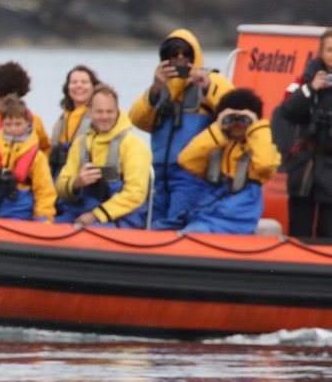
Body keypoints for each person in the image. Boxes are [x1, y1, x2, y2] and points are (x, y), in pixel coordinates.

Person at [129, 28, 233, 224]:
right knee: (152, 223)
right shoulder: (160, 89)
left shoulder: (211, 82)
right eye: (173, 53)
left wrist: (207, 86)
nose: (180, 58)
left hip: (192, 175)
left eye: (186, 53)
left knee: (176, 223)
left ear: (195, 56)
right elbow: (136, 119)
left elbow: (236, 106)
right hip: (160, 176)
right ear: (164, 58)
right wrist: (155, 89)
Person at [159, 88, 280, 234]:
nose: (237, 124)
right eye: (231, 119)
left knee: (193, 233)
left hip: (236, 215)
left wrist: (257, 128)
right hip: (206, 209)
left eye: (243, 120)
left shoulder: (261, 149)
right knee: (158, 227)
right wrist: (218, 128)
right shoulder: (217, 144)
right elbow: (186, 159)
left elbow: (265, 165)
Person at [55, 85, 152, 228]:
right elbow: (60, 185)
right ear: (89, 112)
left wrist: (96, 215)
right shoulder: (80, 144)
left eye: (110, 112)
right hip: (80, 210)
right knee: (52, 225)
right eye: (99, 112)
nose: (105, 117)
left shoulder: (133, 145)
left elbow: (135, 193)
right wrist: (76, 183)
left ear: (117, 111)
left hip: (120, 217)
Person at [278, 27, 332, 239]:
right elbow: (288, 111)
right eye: (329, 49)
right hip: (305, 164)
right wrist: (311, 89)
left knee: (328, 231)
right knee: (299, 226)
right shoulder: (304, 81)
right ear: (321, 52)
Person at [49, 65, 100, 178]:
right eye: (74, 82)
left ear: (94, 87)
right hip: (60, 174)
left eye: (84, 82)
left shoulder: (99, 117)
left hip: (86, 175)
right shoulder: (62, 119)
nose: (79, 86)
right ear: (67, 87)